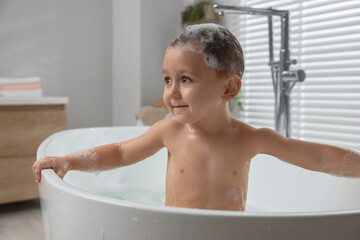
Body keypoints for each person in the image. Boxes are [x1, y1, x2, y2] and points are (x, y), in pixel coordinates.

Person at [32, 23, 360, 212]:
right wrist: (69, 160)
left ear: (229, 87)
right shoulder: (168, 131)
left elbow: (316, 156)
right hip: (176, 231)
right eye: (167, 80)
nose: (172, 92)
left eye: (185, 80)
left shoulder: (250, 139)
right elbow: (119, 152)